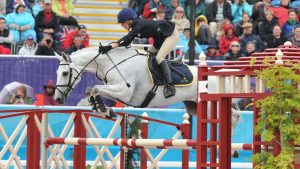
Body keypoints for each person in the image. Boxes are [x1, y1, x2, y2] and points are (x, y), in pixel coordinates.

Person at [99, 8, 178, 98]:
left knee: (159, 58)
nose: (121, 25)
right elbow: (127, 41)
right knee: (148, 55)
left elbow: (127, 39)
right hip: (160, 37)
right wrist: (112, 47)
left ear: (129, 20)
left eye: (122, 23)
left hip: (171, 34)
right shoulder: (134, 25)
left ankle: (170, 86)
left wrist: (109, 47)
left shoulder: (138, 24)